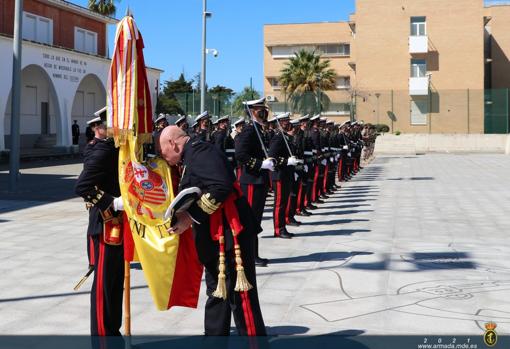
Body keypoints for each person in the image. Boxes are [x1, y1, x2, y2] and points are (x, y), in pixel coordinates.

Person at [158, 126, 266, 336]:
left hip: (229, 233)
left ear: (173, 144)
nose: (166, 158)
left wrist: (189, 217)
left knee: (241, 297)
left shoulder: (200, 152)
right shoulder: (192, 155)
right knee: (218, 295)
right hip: (216, 235)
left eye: (164, 153)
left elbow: (221, 186)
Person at [74, 107, 125, 337]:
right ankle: (103, 337)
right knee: (104, 286)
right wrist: (111, 202)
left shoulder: (115, 148)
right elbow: (82, 186)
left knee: (115, 283)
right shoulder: (102, 151)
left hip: (117, 223)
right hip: (105, 224)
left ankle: (112, 331)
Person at [235, 97, 274, 267]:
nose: (263, 112)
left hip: (260, 180)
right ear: (252, 112)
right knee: (249, 219)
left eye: (264, 109)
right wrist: (260, 164)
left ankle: (252, 254)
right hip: (251, 181)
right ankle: (248, 256)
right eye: (260, 110)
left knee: (255, 220)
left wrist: (269, 162)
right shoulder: (249, 130)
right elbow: (240, 155)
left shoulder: (260, 130)